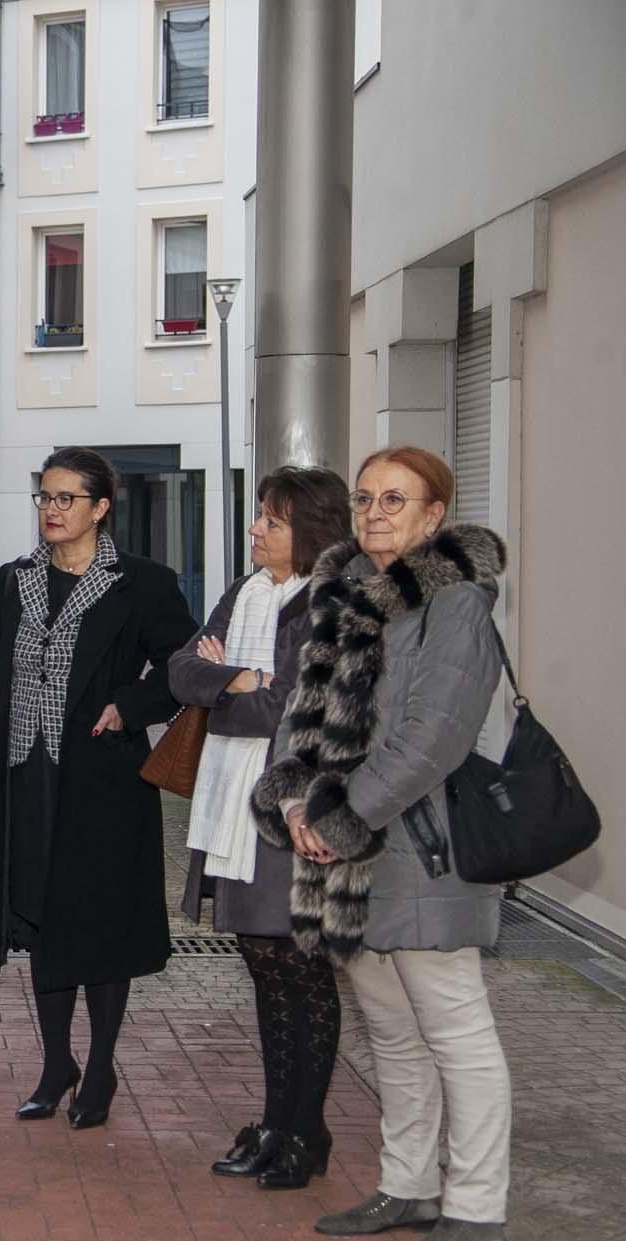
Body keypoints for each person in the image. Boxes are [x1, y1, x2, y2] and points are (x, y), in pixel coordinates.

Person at [253, 446, 511, 1241]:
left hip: (419, 853)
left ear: (435, 514)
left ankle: (476, 1210)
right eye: (365, 497)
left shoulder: (457, 602)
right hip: (342, 859)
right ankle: (407, 1184)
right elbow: (303, 717)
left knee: (456, 1034)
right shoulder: (342, 594)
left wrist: (345, 817)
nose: (374, 512)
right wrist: (295, 802)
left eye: (395, 499)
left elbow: (434, 736)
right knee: (393, 1036)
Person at [0, 447, 197, 1128]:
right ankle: (55, 1063)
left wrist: (131, 702)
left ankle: (99, 1067)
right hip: (25, 773)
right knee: (39, 912)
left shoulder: (143, 583)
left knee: (98, 919)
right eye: (44, 497)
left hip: (102, 779)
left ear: (101, 507)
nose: (52, 510)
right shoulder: (13, 580)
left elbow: (182, 664)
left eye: (67, 498)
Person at [169, 466, 352, 1189]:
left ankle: (307, 1130)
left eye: (271, 521)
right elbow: (182, 674)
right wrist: (243, 680)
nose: (255, 531)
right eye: (259, 519)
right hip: (230, 809)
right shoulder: (244, 592)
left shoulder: (328, 603)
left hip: (287, 812)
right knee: (263, 969)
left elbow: (290, 711)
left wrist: (234, 688)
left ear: (308, 529)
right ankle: (278, 1122)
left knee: (302, 973)